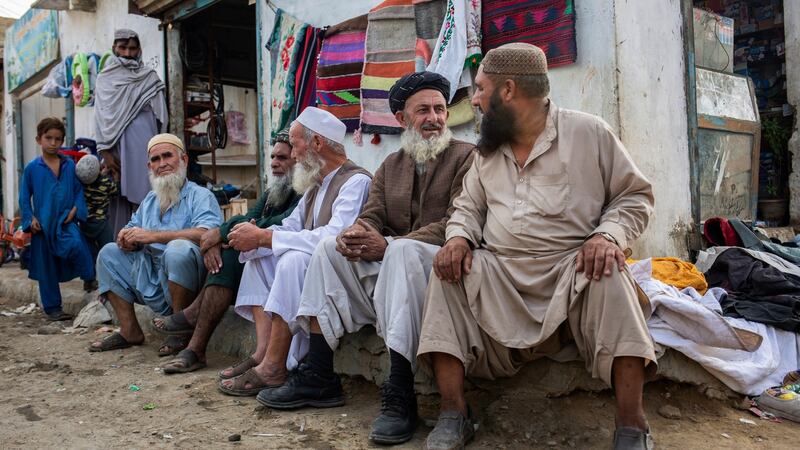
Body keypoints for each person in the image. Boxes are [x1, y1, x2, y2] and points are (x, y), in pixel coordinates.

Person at [418, 43, 657, 450]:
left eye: (479, 89)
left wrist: (607, 236)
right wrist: (458, 237)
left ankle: (632, 426)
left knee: (610, 271)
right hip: (501, 274)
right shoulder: (487, 151)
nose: (473, 99)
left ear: (508, 90)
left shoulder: (589, 132)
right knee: (447, 273)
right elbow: (468, 208)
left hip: (570, 271)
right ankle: (454, 414)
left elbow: (634, 197)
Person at [258, 71, 475, 445]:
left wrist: (389, 245)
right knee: (328, 247)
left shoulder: (466, 157)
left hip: (442, 272)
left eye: (440, 109)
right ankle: (320, 375)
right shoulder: (391, 165)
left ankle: (400, 392)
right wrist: (356, 233)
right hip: (397, 268)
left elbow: (458, 221)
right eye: (423, 110)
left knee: (403, 252)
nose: (434, 118)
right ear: (402, 119)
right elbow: (373, 214)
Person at [217, 107, 371, 396]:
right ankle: (263, 353)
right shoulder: (315, 186)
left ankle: (275, 366)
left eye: (296, 144)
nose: (294, 154)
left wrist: (264, 237)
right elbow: (290, 227)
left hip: (345, 275)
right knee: (258, 260)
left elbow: (334, 238)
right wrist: (254, 237)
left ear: (317, 144)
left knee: (293, 259)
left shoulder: (356, 181)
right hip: (315, 269)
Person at [155, 130, 303, 373]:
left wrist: (225, 235)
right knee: (227, 251)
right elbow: (248, 217)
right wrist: (221, 234)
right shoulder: (273, 191)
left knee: (230, 254)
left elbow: (284, 222)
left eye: (282, 158)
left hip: (289, 258)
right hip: (262, 254)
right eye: (273, 157)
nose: (275, 163)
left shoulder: (305, 190)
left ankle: (195, 343)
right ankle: (194, 347)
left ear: (297, 160)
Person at [89, 134, 222, 353]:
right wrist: (126, 239)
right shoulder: (150, 200)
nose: (162, 164)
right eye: (156, 159)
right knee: (108, 253)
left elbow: (206, 234)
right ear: (149, 166)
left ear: (184, 160)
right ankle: (129, 330)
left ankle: (180, 330)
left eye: (167, 156)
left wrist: (151, 236)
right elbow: (133, 229)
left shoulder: (201, 195)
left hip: (189, 279)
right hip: (152, 275)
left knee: (178, 249)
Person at [19, 118, 95, 321]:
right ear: (38, 139)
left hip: (65, 221)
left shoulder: (69, 165)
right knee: (46, 266)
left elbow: (79, 190)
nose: (53, 143)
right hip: (42, 224)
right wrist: (30, 218)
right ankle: (53, 308)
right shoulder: (32, 168)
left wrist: (76, 208)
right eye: (48, 138)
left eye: (58, 139)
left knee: (78, 245)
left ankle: (89, 278)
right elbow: (24, 196)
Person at [94, 29, 168, 235]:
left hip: (145, 148)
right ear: (114, 49)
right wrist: (105, 152)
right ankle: (120, 247)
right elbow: (100, 118)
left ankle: (148, 242)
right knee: (118, 199)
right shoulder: (104, 79)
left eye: (132, 48)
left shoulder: (149, 78)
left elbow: (162, 118)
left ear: (139, 50)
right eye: (122, 47)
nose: (127, 53)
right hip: (115, 149)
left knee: (147, 195)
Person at [75, 154, 119, 292]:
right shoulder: (105, 181)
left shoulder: (81, 185)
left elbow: (93, 181)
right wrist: (116, 178)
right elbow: (115, 191)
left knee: (90, 253)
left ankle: (89, 281)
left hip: (85, 224)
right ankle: (112, 280)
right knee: (109, 250)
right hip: (101, 223)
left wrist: (100, 174)